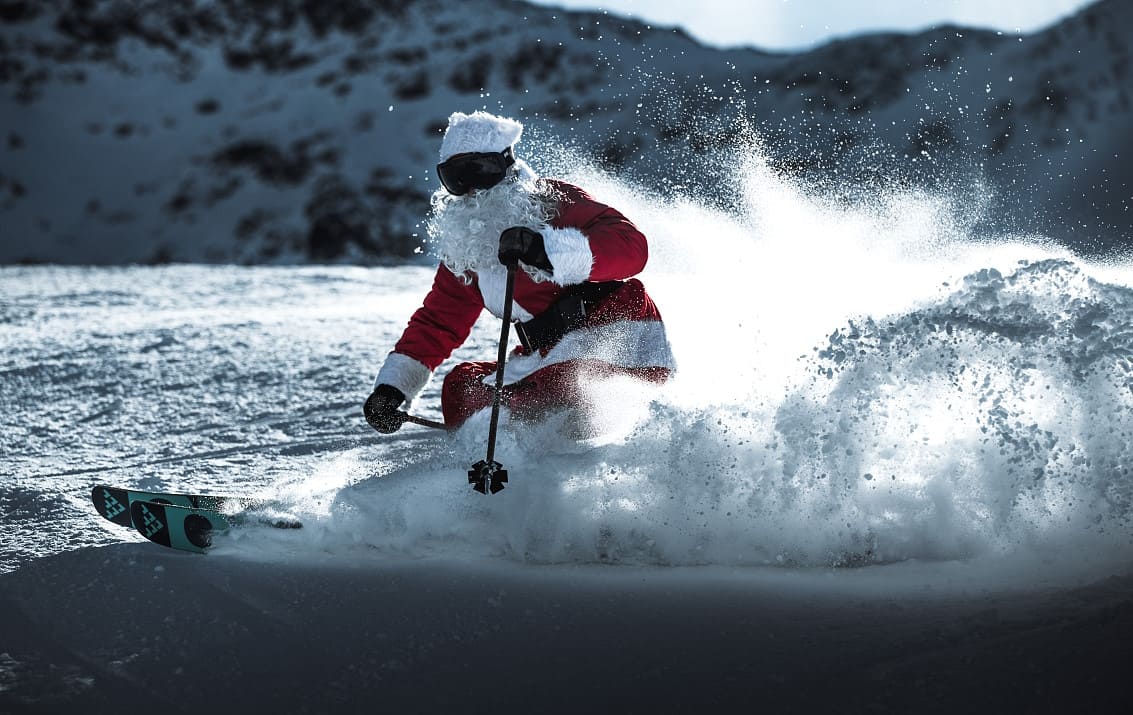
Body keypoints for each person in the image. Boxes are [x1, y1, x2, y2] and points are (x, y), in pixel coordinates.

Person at [363, 110, 675, 435]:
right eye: (456, 178)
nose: (471, 189)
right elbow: (438, 321)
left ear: (506, 166)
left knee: (560, 387)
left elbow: (632, 247)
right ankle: (516, 442)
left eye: (480, 171)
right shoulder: (467, 246)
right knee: (461, 388)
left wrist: (546, 250)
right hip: (545, 354)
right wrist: (393, 390)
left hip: (613, 332)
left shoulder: (552, 202)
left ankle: (553, 441)